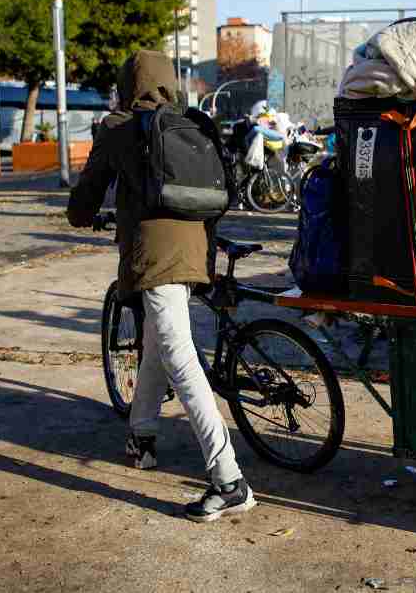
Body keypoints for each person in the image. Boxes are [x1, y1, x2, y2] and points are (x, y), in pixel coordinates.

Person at [66, 50, 255, 523]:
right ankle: (142, 437)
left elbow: (85, 200)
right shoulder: (186, 122)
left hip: (156, 258)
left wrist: (83, 215)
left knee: (179, 356)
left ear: (127, 84)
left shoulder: (117, 128)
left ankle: (229, 480)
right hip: (195, 251)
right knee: (156, 343)